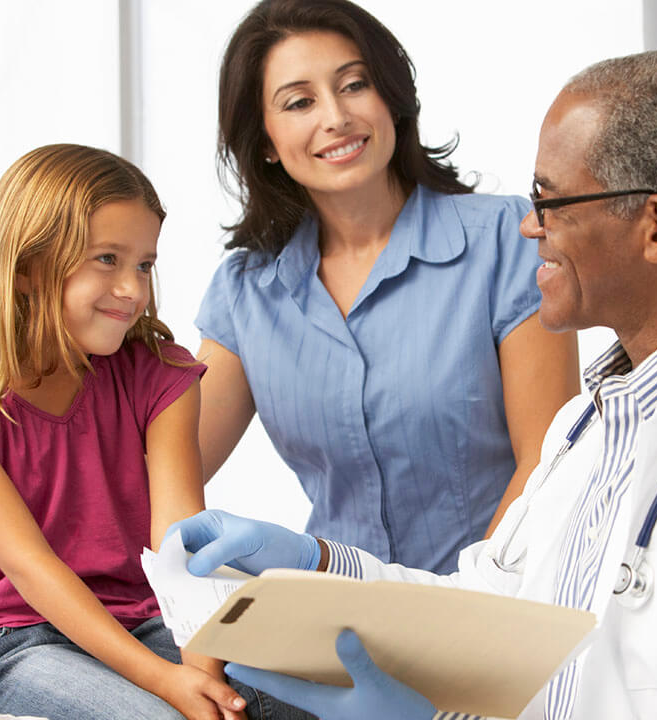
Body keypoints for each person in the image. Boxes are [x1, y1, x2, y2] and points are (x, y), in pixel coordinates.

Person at [171, 50, 657, 720]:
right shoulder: (588, 426)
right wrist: (321, 567)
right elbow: (496, 609)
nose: (528, 227)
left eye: (551, 199)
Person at [0, 144, 309, 720]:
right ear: (28, 267)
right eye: (107, 259)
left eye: (143, 264)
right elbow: (31, 569)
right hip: (5, 640)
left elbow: (178, 547)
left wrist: (204, 681)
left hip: (143, 618)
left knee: (300, 704)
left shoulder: (161, 375)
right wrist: (166, 683)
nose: (133, 290)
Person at [196, 0, 581, 573]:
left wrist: (459, 615)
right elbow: (165, 472)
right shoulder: (246, 292)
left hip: (491, 618)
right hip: (332, 623)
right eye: (299, 102)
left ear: (391, 100)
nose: (335, 116)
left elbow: (545, 467)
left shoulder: (507, 239)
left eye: (354, 85)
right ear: (267, 141)